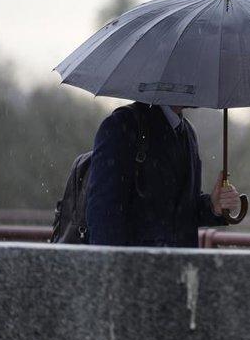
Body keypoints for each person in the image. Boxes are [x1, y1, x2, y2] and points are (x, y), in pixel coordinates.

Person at [86, 102, 242, 247]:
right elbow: (102, 214)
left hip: (176, 270)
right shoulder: (122, 124)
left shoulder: (187, 132)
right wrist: (111, 272)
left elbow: (180, 212)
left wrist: (212, 206)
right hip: (136, 270)